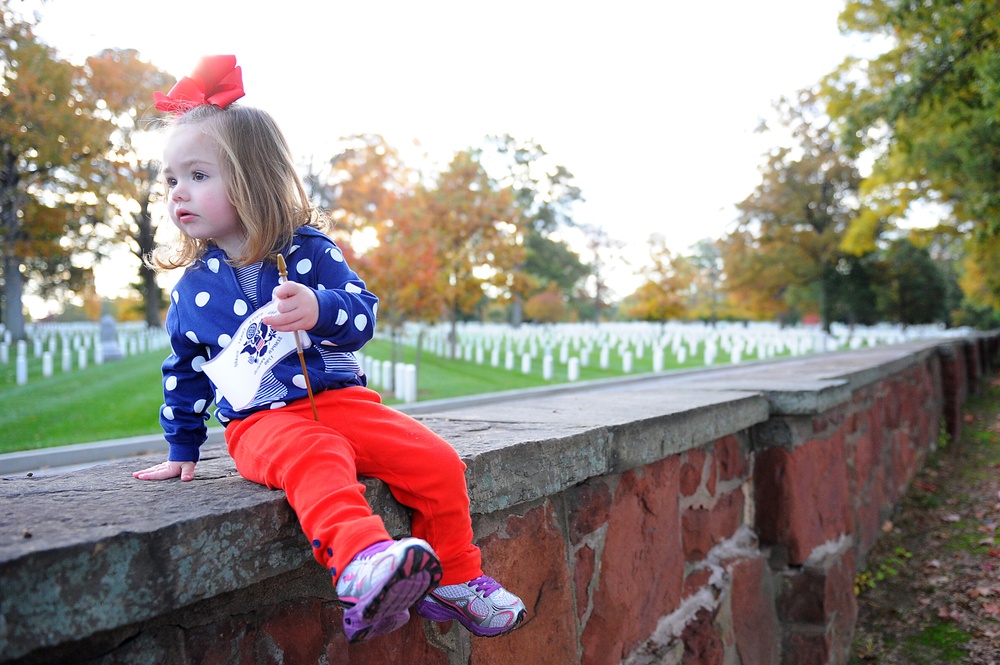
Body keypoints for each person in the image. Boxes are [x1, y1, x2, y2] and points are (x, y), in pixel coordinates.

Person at [133, 55, 526, 644]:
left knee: (437, 461)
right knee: (315, 456)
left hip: (345, 403)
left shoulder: (308, 250)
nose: (177, 193)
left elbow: (361, 313)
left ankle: (457, 579)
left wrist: (319, 310)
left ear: (252, 180)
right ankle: (363, 563)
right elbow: (185, 370)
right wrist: (182, 445)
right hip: (261, 425)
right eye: (170, 180)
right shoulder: (193, 290)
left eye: (197, 176)